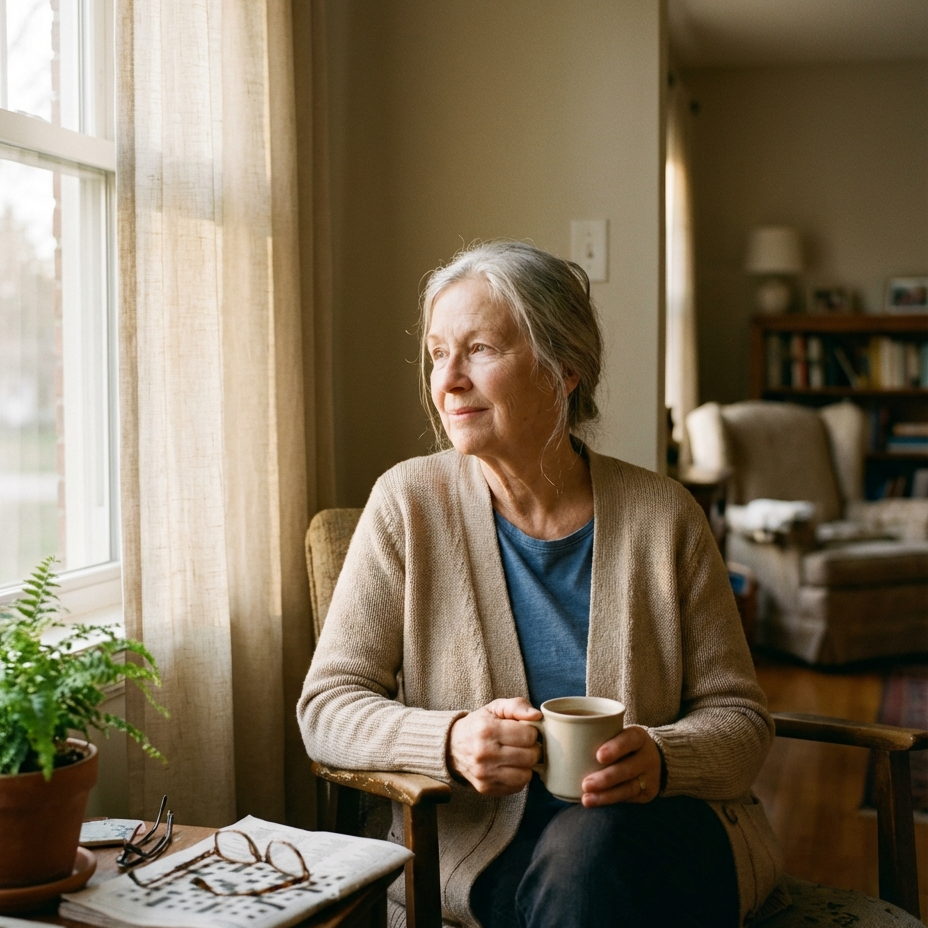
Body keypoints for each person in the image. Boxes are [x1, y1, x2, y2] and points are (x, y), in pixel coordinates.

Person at [298, 241, 785, 928]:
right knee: (576, 875)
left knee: (593, 851)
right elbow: (326, 710)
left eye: (480, 349)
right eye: (439, 352)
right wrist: (450, 739)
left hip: (659, 833)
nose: (449, 380)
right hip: (487, 855)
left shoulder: (665, 515)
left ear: (563, 370)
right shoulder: (407, 504)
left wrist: (662, 760)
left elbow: (740, 720)